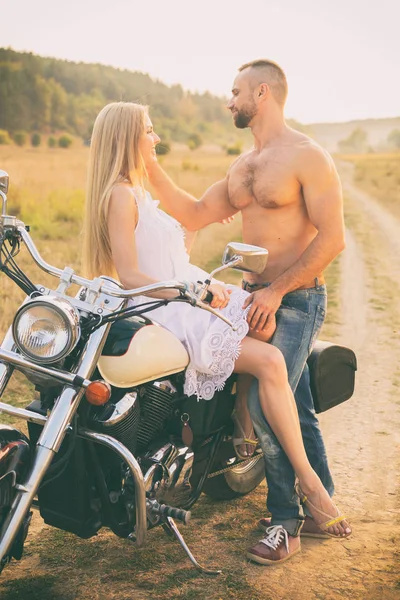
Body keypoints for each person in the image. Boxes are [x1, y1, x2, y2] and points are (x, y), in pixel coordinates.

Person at [82, 101, 351, 565]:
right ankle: (308, 485)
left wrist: (202, 282)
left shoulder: (138, 190)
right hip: (168, 307)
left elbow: (184, 225)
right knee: (271, 364)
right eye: (149, 131)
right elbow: (130, 275)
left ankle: (245, 434)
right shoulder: (122, 194)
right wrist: (196, 290)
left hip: (185, 296)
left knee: (272, 348)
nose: (156, 138)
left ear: (263, 93)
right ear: (130, 136)